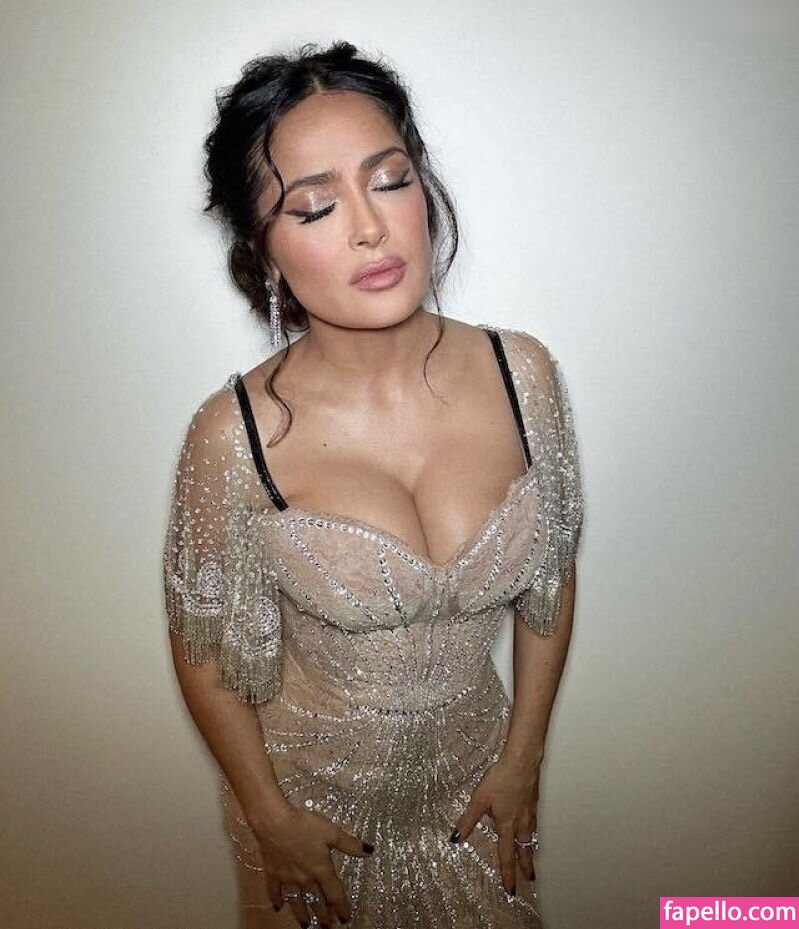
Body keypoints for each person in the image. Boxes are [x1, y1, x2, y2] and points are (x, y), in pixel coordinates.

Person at [162, 40, 584, 929]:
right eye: (315, 206)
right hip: (311, 816)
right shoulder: (233, 435)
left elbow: (550, 580)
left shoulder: (524, 374)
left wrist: (524, 758)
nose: (369, 227)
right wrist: (270, 818)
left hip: (478, 787)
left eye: (389, 181)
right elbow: (203, 654)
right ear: (262, 249)